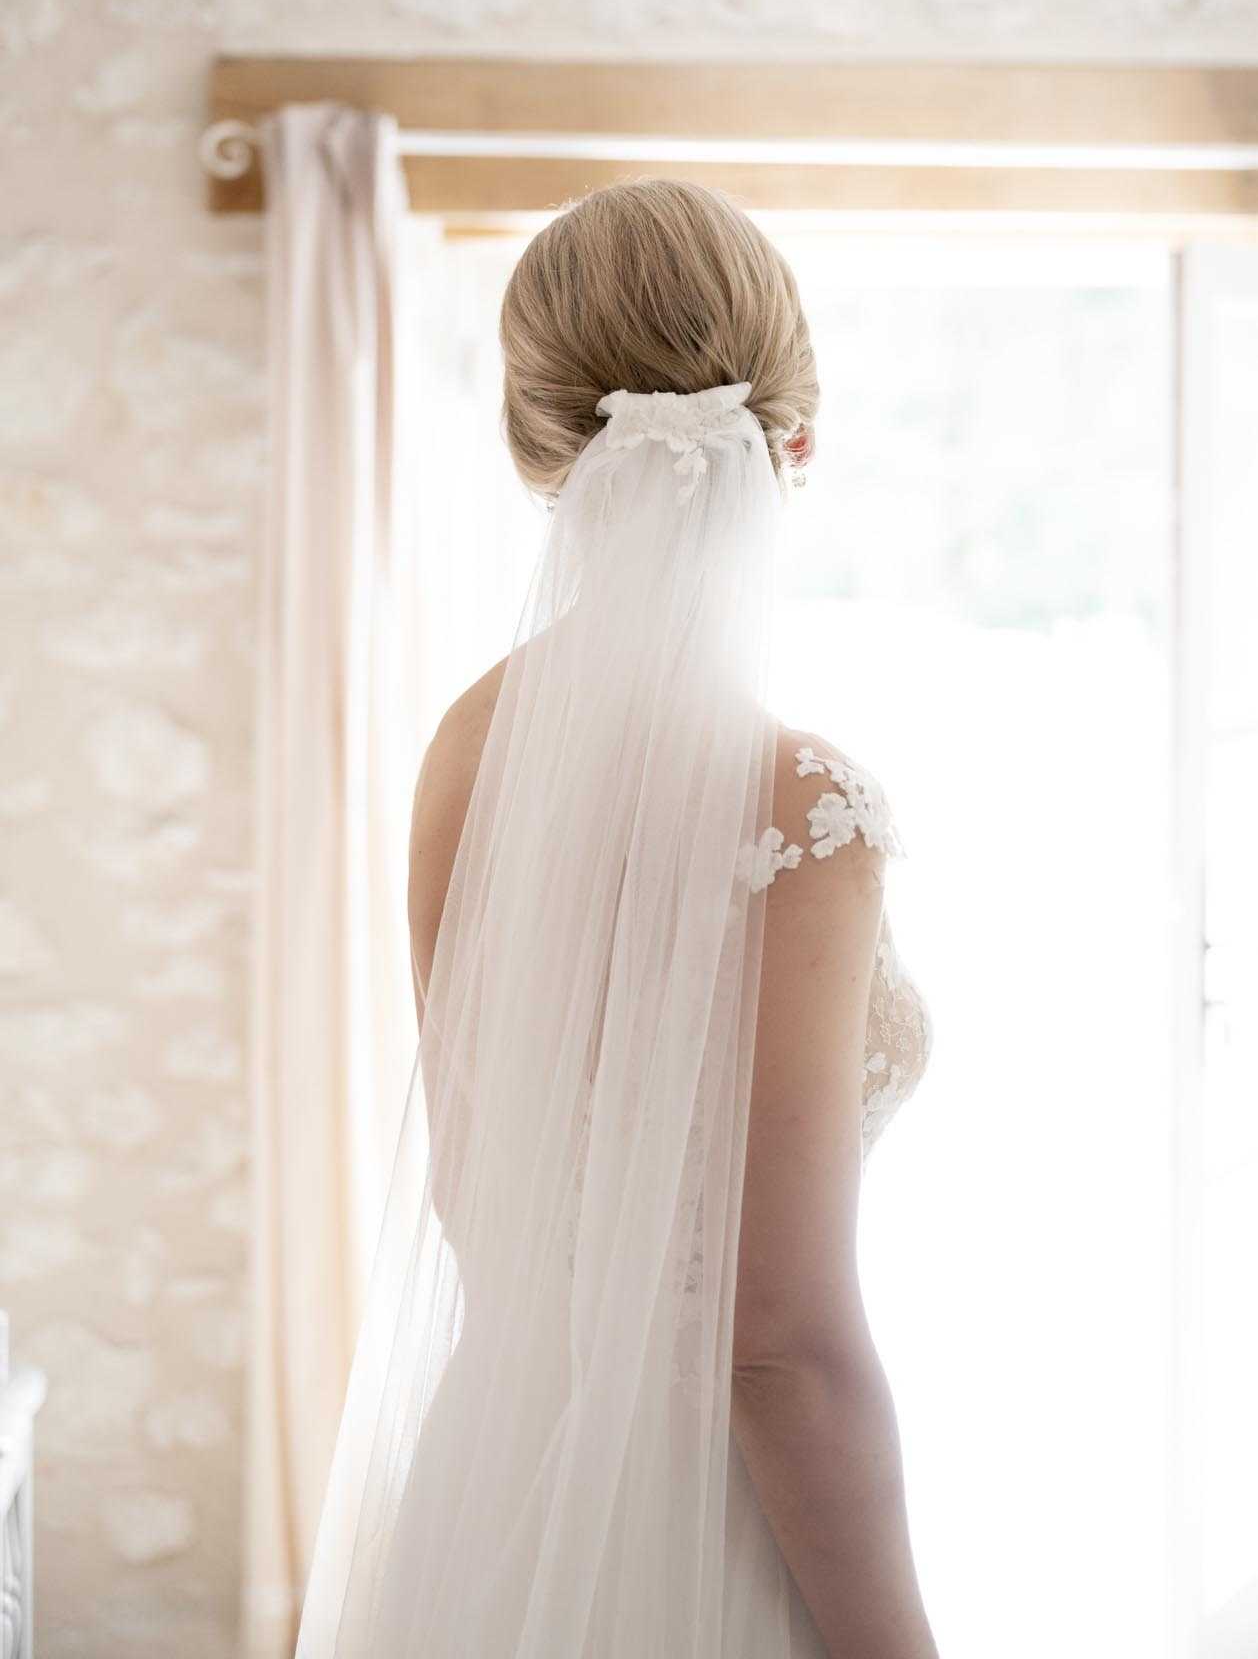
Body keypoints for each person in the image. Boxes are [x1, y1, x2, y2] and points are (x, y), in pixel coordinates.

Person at [295, 178, 938, 1659]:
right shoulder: (805, 809)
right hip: (705, 1541)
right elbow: (775, 1347)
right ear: (798, 439)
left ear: (541, 453)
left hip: (495, 1487)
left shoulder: (471, 743)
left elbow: (472, 1200)